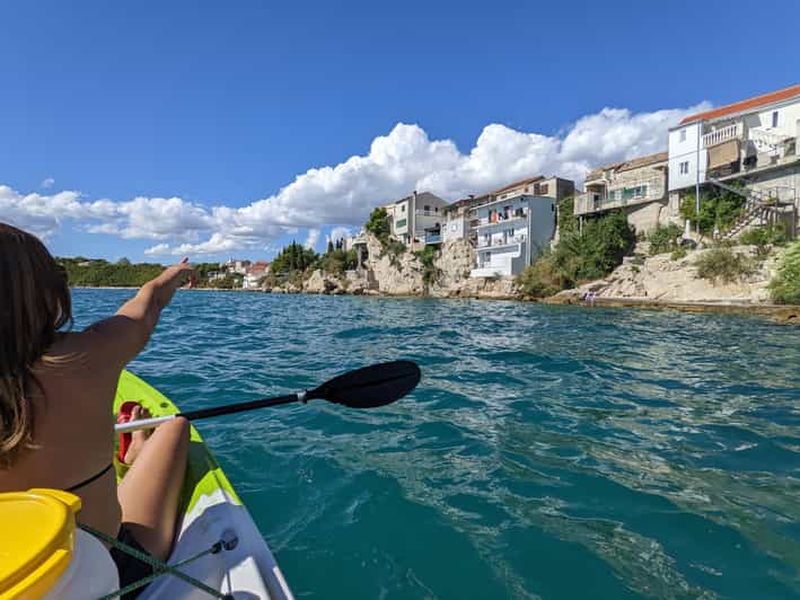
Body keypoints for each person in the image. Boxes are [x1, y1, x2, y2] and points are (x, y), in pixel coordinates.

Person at [0, 222, 194, 596]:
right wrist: (173, 274)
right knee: (174, 427)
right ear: (49, 293)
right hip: (111, 575)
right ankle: (135, 452)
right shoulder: (92, 353)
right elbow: (149, 304)